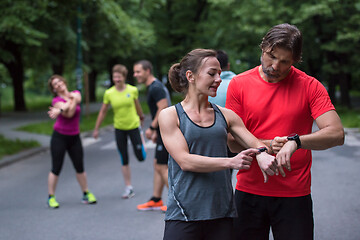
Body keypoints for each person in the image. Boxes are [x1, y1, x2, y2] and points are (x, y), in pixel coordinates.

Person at [226, 23, 345, 240]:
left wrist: (296, 141)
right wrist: (266, 146)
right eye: (271, 56)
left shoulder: (310, 86)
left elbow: (337, 133)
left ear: (295, 60)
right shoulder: (239, 84)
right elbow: (232, 142)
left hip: (294, 194)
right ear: (263, 47)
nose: (275, 66)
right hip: (249, 191)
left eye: (284, 61)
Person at [158, 48, 278, 240]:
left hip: (222, 214)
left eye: (220, 74)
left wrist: (262, 153)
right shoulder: (170, 115)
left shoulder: (226, 115)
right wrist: (230, 162)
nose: (219, 79)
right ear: (191, 76)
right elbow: (185, 161)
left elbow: (253, 142)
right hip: (184, 213)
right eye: (212, 73)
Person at [93, 64, 146, 199]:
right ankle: (128, 187)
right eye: (114, 76)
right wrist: (96, 128)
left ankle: (141, 144)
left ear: (124, 77)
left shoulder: (132, 90)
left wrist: (141, 116)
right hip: (119, 128)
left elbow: (137, 105)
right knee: (124, 158)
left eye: (119, 76)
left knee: (140, 157)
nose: (116, 79)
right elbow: (103, 111)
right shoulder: (109, 93)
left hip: (133, 126)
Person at [47, 75, 97, 209]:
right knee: (56, 168)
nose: (58, 85)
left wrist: (63, 108)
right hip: (59, 137)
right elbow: (69, 114)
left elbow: (73, 104)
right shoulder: (56, 100)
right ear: (54, 89)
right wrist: (65, 106)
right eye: (54, 85)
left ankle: (86, 193)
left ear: (64, 81)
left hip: (74, 137)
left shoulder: (76, 93)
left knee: (79, 166)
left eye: (59, 82)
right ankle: (51, 197)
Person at [133, 60, 171, 211]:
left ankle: (178, 200)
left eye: (138, 72)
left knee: (162, 166)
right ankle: (156, 199)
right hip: (162, 130)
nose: (135, 75)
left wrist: (152, 128)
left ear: (147, 71)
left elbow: (163, 108)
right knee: (158, 164)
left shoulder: (156, 87)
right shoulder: (153, 87)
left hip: (166, 130)